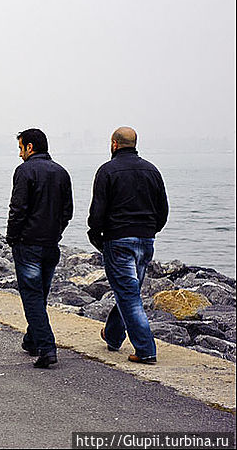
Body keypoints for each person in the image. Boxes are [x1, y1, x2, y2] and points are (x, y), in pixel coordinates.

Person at [88, 126, 168, 364]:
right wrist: (151, 230)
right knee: (129, 292)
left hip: (118, 239)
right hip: (145, 240)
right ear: (134, 144)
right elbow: (163, 209)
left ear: (114, 144)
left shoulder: (107, 171)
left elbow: (98, 211)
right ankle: (112, 335)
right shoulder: (152, 170)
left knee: (128, 295)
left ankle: (145, 349)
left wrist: (95, 232)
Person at [7, 128, 73, 369]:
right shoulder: (61, 172)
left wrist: (12, 237)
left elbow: (18, 209)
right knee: (40, 293)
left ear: (30, 147)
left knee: (32, 296)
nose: (20, 154)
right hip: (51, 244)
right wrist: (56, 232)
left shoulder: (24, 171)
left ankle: (46, 347)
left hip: (29, 245)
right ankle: (32, 339)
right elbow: (68, 211)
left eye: (21, 148)